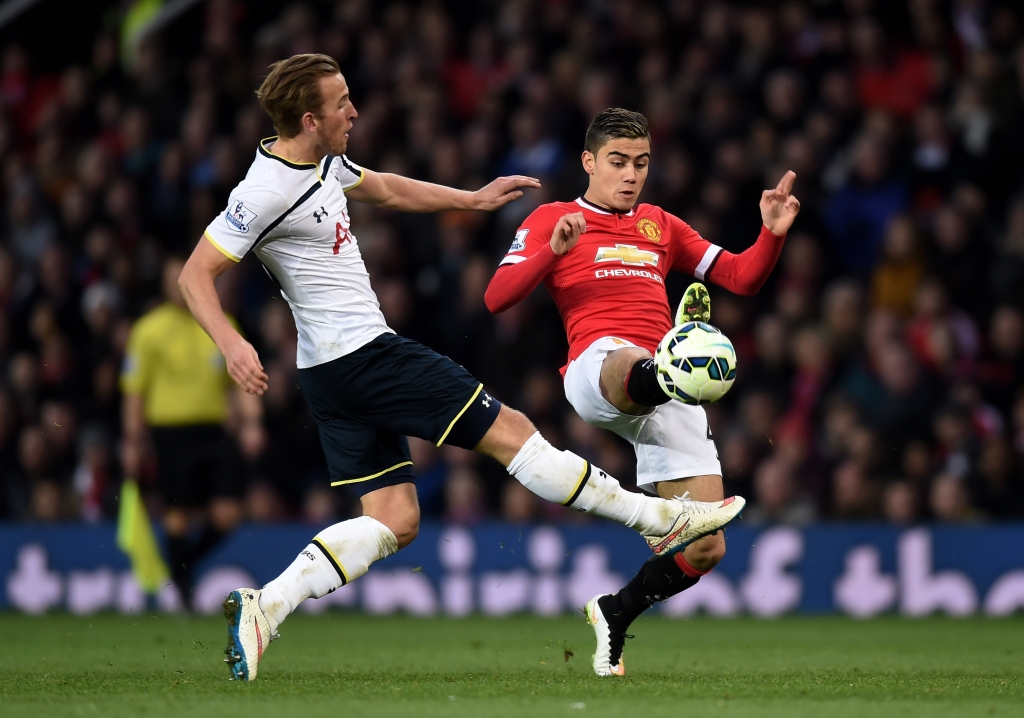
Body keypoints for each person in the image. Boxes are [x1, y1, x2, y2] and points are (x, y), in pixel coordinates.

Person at [176, 54, 746, 681]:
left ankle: (266, 606)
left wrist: (471, 201)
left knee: (394, 520)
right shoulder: (263, 191)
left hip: (327, 375)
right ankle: (662, 519)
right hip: (367, 356)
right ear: (310, 119)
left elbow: (389, 188)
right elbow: (195, 273)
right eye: (342, 103)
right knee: (515, 435)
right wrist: (231, 343)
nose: (355, 110)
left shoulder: (323, 163)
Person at [484, 108, 800, 676]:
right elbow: (496, 298)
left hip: (664, 383)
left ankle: (616, 611)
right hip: (597, 368)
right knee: (635, 358)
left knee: (706, 545)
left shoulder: (662, 225)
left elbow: (741, 277)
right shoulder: (553, 219)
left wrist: (770, 236)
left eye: (641, 163)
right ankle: (678, 371)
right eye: (618, 162)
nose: (631, 175)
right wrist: (551, 252)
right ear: (589, 162)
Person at [121, 256, 263, 606]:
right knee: (177, 516)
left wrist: (252, 423)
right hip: (169, 434)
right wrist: (132, 441)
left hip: (213, 430)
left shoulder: (222, 324)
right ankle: (182, 589)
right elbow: (134, 391)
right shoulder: (148, 330)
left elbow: (242, 380)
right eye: (174, 280)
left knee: (228, 512)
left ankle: (183, 569)